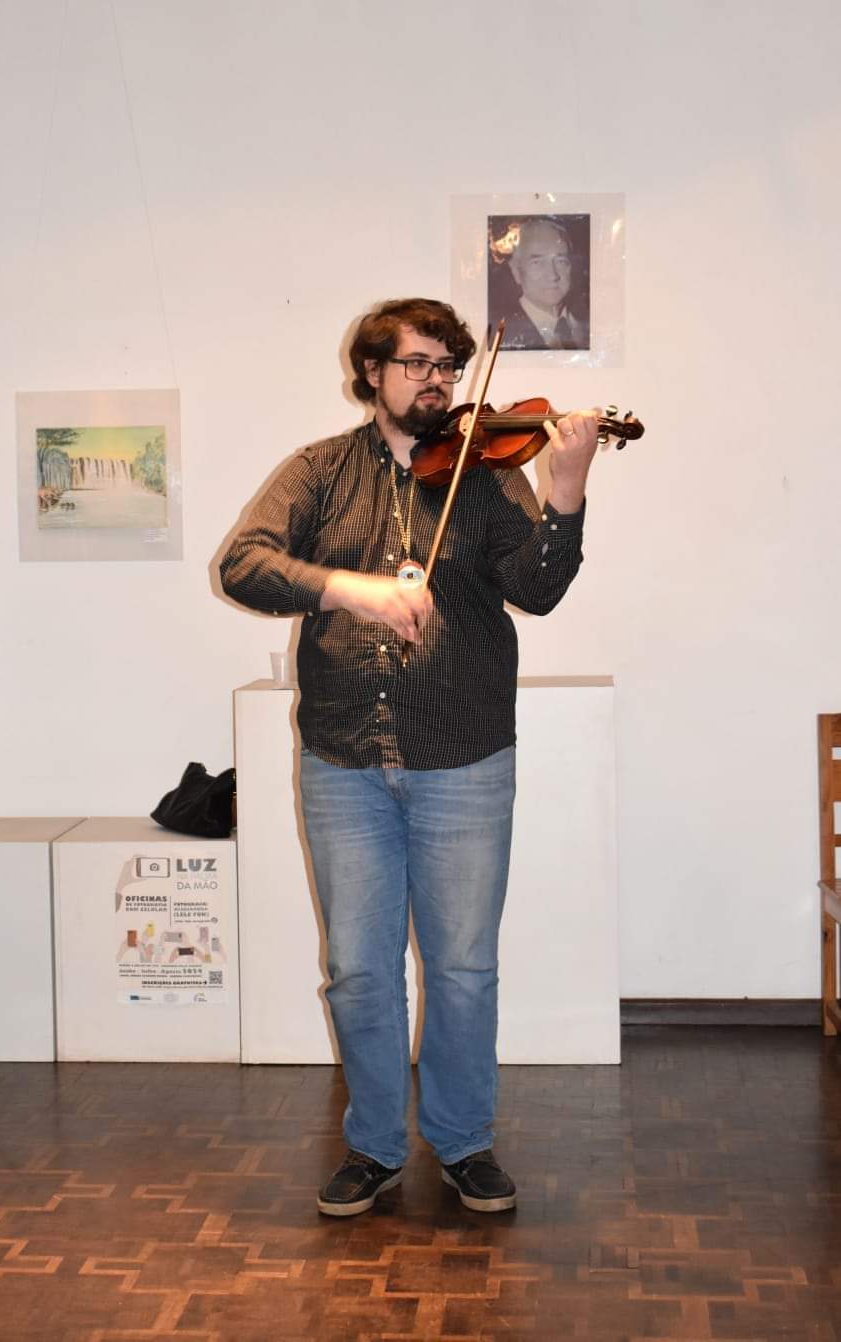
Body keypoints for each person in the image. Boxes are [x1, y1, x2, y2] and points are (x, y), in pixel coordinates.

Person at [220, 297, 598, 1217]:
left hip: (463, 758)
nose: (438, 382)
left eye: (448, 367)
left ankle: (465, 1142)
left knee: (463, 967)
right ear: (373, 373)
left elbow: (538, 589)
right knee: (358, 970)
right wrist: (344, 589)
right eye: (418, 364)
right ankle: (375, 1146)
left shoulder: (487, 474)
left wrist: (567, 490)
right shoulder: (319, 471)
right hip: (343, 761)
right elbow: (244, 564)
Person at [498, 217, 590, 351]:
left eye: (561, 261)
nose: (553, 275)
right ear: (516, 271)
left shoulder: (589, 324)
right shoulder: (499, 333)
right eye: (537, 263)